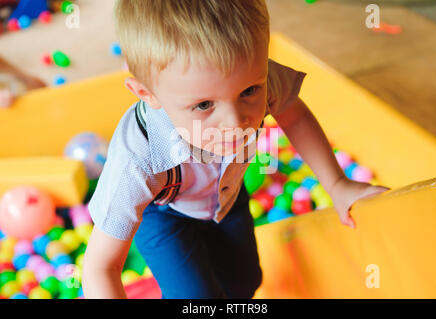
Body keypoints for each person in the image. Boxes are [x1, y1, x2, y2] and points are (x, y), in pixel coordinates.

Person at [82, 0, 390, 299]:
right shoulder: (138, 162)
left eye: (249, 92)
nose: (235, 122)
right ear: (147, 94)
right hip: (165, 212)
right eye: (203, 105)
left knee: (246, 281)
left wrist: (337, 184)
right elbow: (100, 269)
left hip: (225, 195)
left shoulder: (252, 75)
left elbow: (293, 114)